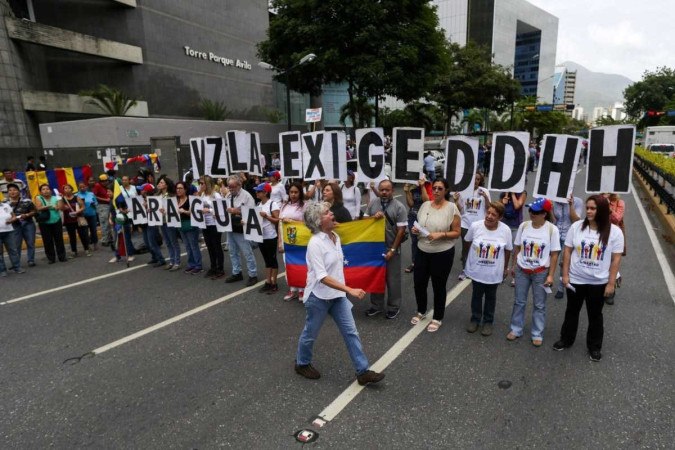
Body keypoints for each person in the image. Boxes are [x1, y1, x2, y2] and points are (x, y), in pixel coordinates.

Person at [294, 201, 385, 386]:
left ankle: (362, 371)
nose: (331, 214)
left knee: (351, 332)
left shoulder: (335, 236)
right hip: (318, 297)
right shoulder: (315, 244)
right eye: (327, 213)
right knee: (310, 333)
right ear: (318, 221)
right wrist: (349, 289)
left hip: (337, 297)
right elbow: (322, 277)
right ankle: (301, 363)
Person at [554, 195, 624, 362]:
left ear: (602, 210)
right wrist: (565, 275)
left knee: (595, 315)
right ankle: (566, 339)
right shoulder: (577, 227)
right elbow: (568, 251)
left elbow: (616, 259)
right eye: (588, 208)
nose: (589, 211)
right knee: (572, 311)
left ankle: (594, 347)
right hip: (576, 280)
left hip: (598, 283)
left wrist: (611, 283)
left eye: (593, 208)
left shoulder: (615, 232)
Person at [506, 198, 561, 346]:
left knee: (539, 304)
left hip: (541, 272)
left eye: (536, 212)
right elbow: (517, 247)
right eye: (530, 210)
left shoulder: (552, 230)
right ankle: (516, 329)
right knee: (519, 301)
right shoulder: (524, 226)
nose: (532, 214)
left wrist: (550, 275)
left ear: (544, 213)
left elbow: (555, 254)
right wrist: (514, 266)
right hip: (522, 270)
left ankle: (537, 333)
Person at [410, 178, 462, 332]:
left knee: (438, 286)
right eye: (434, 188)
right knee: (419, 283)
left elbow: (457, 233)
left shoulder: (452, 208)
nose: (436, 191)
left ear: (446, 191)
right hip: (422, 250)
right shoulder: (425, 205)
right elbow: (419, 224)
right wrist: (416, 230)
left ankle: (438, 317)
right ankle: (421, 311)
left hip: (442, 253)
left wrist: (441, 234)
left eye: (440, 188)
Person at [464, 202, 512, 336]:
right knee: (476, 295)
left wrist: (505, 268)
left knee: (491, 297)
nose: (489, 217)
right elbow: (467, 242)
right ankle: (475, 319)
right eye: (488, 213)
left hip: (493, 272)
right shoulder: (475, 226)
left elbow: (507, 250)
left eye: (494, 215)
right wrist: (470, 261)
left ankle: (488, 322)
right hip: (477, 270)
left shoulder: (506, 230)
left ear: (500, 217)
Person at [364, 179, 407, 319]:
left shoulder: (399, 207)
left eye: (387, 190)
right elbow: (363, 222)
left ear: (392, 191)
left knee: (392, 279)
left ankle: (394, 306)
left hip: (391, 248)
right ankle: (376, 305)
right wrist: (372, 218)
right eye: (382, 189)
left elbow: (401, 231)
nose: (384, 192)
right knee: (377, 277)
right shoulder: (372, 203)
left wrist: (392, 251)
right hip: (375, 248)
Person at [224, 175, 258, 285]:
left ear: (239, 185)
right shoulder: (228, 195)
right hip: (230, 227)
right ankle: (236, 272)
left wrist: (237, 211)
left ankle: (253, 274)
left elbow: (253, 213)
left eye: (232, 186)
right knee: (232, 251)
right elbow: (225, 209)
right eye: (229, 186)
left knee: (247, 252)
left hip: (242, 228)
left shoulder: (247, 196)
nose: (230, 189)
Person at [458, 173, 491, 280]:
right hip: (465, 224)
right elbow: (461, 209)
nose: (475, 181)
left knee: (477, 248)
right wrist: (455, 200)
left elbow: (489, 208)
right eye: (474, 179)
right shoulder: (463, 191)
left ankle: (476, 269)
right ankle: (465, 270)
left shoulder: (484, 191)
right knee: (465, 248)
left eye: (478, 179)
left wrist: (485, 197)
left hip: (479, 225)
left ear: (480, 181)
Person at [278, 181, 307, 301]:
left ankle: (302, 290)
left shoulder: (304, 206)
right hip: (287, 241)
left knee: (300, 265)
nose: (293, 194)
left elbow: (307, 224)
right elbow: (280, 225)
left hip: (299, 241)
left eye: (296, 192)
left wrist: (291, 221)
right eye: (291, 192)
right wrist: (280, 241)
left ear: (300, 193)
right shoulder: (284, 206)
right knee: (288, 265)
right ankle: (292, 289)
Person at [552, 194, 583, 298]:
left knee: (563, 262)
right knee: (549, 259)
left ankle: (561, 288)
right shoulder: (554, 202)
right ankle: (548, 279)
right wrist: (549, 208)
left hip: (569, 237)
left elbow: (576, 221)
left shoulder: (578, 201)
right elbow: (554, 220)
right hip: (556, 235)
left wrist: (571, 205)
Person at [255, 182, 281, 293]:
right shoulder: (258, 205)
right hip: (261, 236)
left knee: (272, 260)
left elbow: (278, 220)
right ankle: (268, 282)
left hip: (271, 236)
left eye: (259, 191)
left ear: (265, 192)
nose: (256, 193)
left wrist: (266, 216)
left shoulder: (272, 204)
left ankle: (274, 283)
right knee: (266, 260)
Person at [403, 177, 431, 273]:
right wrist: (407, 192)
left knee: (425, 239)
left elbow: (427, 202)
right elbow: (411, 204)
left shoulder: (429, 186)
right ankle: (414, 262)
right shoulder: (413, 188)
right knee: (415, 240)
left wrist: (422, 186)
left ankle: (427, 262)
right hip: (413, 217)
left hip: (425, 218)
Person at [500, 191, 527, 286]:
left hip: (516, 226)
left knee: (515, 252)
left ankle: (514, 275)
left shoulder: (522, 193)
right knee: (504, 250)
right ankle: (503, 272)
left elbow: (517, 206)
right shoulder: (504, 193)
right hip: (504, 225)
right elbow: (500, 208)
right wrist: (504, 201)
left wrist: (512, 194)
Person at [34, 184, 67, 264]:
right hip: (44, 222)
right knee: (47, 241)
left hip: (56, 220)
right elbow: (39, 208)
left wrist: (60, 198)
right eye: (43, 189)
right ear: (41, 191)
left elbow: (61, 207)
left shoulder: (55, 197)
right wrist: (52, 206)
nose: (46, 191)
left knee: (59, 239)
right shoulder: (38, 198)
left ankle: (62, 256)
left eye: (47, 189)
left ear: (50, 191)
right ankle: (51, 258)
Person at [6, 183, 36, 267]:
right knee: (16, 245)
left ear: (19, 191)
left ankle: (31, 260)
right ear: (8, 192)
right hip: (14, 226)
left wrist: (26, 215)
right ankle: (16, 263)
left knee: (30, 243)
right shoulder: (5, 203)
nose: (12, 192)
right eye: (10, 190)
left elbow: (34, 211)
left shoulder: (27, 201)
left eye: (15, 190)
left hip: (28, 224)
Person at [199, 176, 224, 278]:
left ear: (208, 184)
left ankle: (220, 268)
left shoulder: (216, 195)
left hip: (215, 224)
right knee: (209, 246)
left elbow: (221, 209)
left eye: (202, 183)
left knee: (216, 246)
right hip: (205, 224)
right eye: (200, 183)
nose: (200, 185)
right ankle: (213, 267)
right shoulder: (202, 195)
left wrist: (209, 210)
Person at [155, 176, 181, 271]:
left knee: (173, 241)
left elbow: (174, 208)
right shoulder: (157, 195)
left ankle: (177, 262)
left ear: (166, 184)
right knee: (167, 242)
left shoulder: (171, 195)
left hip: (170, 220)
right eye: (159, 182)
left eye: (161, 182)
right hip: (161, 221)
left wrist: (165, 210)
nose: (159, 184)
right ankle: (171, 260)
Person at [176, 181, 202, 274]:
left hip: (191, 224)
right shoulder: (176, 200)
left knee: (193, 245)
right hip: (181, 225)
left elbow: (194, 212)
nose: (178, 190)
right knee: (187, 246)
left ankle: (198, 265)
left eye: (180, 188)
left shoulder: (190, 199)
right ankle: (191, 264)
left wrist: (184, 211)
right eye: (177, 188)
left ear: (185, 190)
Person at [604, 193, 626, 304]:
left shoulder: (620, 203)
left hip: (614, 237)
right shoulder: (600, 199)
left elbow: (617, 218)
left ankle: (611, 290)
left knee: (613, 262)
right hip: (601, 233)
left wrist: (609, 207)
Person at [61, 184, 91, 258]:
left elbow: (83, 207)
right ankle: (74, 251)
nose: (67, 190)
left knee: (82, 235)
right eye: (65, 188)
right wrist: (64, 206)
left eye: (68, 188)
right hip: (69, 220)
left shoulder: (76, 197)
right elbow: (61, 208)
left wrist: (77, 212)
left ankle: (86, 249)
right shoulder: (62, 199)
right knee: (72, 237)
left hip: (78, 219)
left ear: (72, 189)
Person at [0, 192, 23, 276]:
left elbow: (13, 216)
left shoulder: (6, 205)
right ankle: (2, 270)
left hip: (9, 231)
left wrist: (11, 220)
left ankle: (17, 267)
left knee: (13, 250)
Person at [78, 180, 99, 251]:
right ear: (78, 188)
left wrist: (94, 203)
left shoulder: (91, 194)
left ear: (86, 187)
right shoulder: (77, 195)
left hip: (92, 214)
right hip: (83, 215)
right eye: (80, 187)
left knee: (93, 230)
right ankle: (87, 245)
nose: (82, 188)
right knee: (85, 231)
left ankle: (95, 244)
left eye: (83, 187)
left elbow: (96, 202)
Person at [93, 174, 112, 247]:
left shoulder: (106, 186)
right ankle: (105, 240)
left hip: (108, 205)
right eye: (104, 181)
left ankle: (109, 238)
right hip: (102, 206)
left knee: (109, 223)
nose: (106, 182)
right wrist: (105, 199)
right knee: (104, 223)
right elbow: (94, 196)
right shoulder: (98, 186)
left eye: (106, 181)